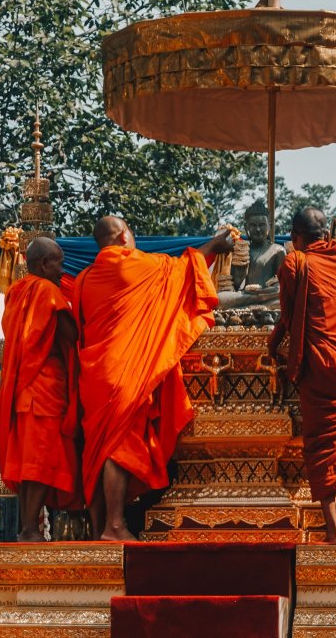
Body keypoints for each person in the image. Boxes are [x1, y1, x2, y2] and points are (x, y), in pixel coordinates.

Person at [73, 216, 233, 541]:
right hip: (124, 371)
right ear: (121, 236)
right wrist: (216, 245)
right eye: (131, 232)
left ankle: (99, 527)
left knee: (99, 450)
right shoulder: (129, 265)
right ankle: (115, 525)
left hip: (95, 373)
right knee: (118, 445)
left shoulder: (83, 278)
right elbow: (183, 269)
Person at [268, 207, 336, 545]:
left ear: (295, 237)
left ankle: (333, 532)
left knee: (321, 447)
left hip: (321, 367)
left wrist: (271, 345)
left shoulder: (295, 263)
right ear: (325, 235)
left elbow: (287, 315)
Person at [0, 237, 79, 541]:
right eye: (59, 263)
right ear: (44, 264)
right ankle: (30, 529)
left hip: (23, 389)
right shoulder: (45, 291)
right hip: (44, 389)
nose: (62, 270)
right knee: (40, 463)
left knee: (29, 464)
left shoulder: (16, 292)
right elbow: (71, 336)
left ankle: (27, 528)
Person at [218, 199, 286, 308]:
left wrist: (264, 292)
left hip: (268, 295)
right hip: (246, 295)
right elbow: (234, 286)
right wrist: (240, 275)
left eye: (262, 225)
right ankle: (257, 303)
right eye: (253, 225)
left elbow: (282, 285)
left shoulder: (278, 250)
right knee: (219, 299)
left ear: (270, 226)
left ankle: (256, 302)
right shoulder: (240, 250)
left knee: (282, 298)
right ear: (246, 228)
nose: (258, 229)